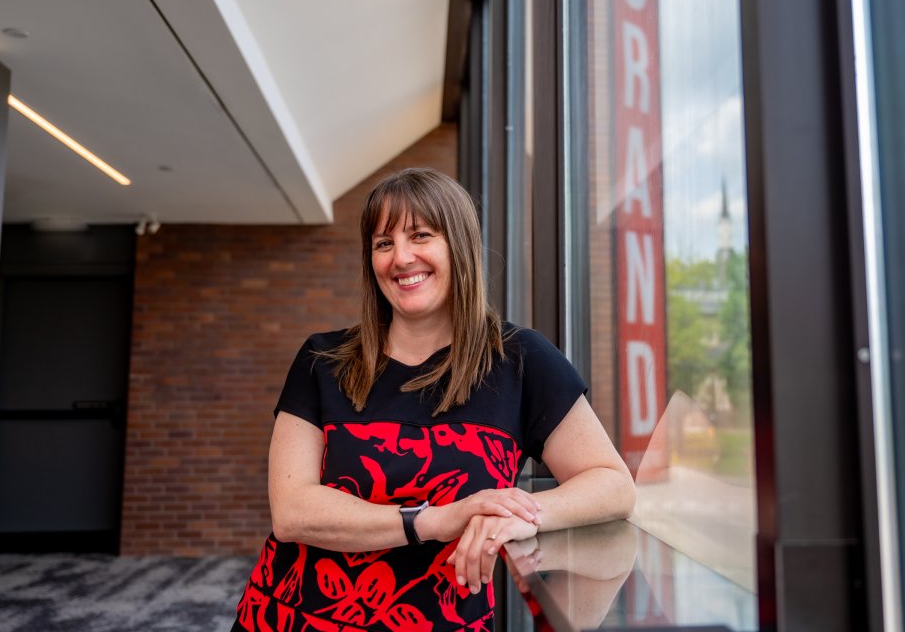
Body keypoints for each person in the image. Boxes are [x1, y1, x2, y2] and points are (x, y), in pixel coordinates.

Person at [232, 167, 636, 632]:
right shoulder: (322, 360)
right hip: (293, 618)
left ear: (458, 247)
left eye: (420, 236)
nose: (401, 258)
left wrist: (519, 517)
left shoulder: (520, 359)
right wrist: (434, 520)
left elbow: (613, 484)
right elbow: (291, 512)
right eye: (383, 244)